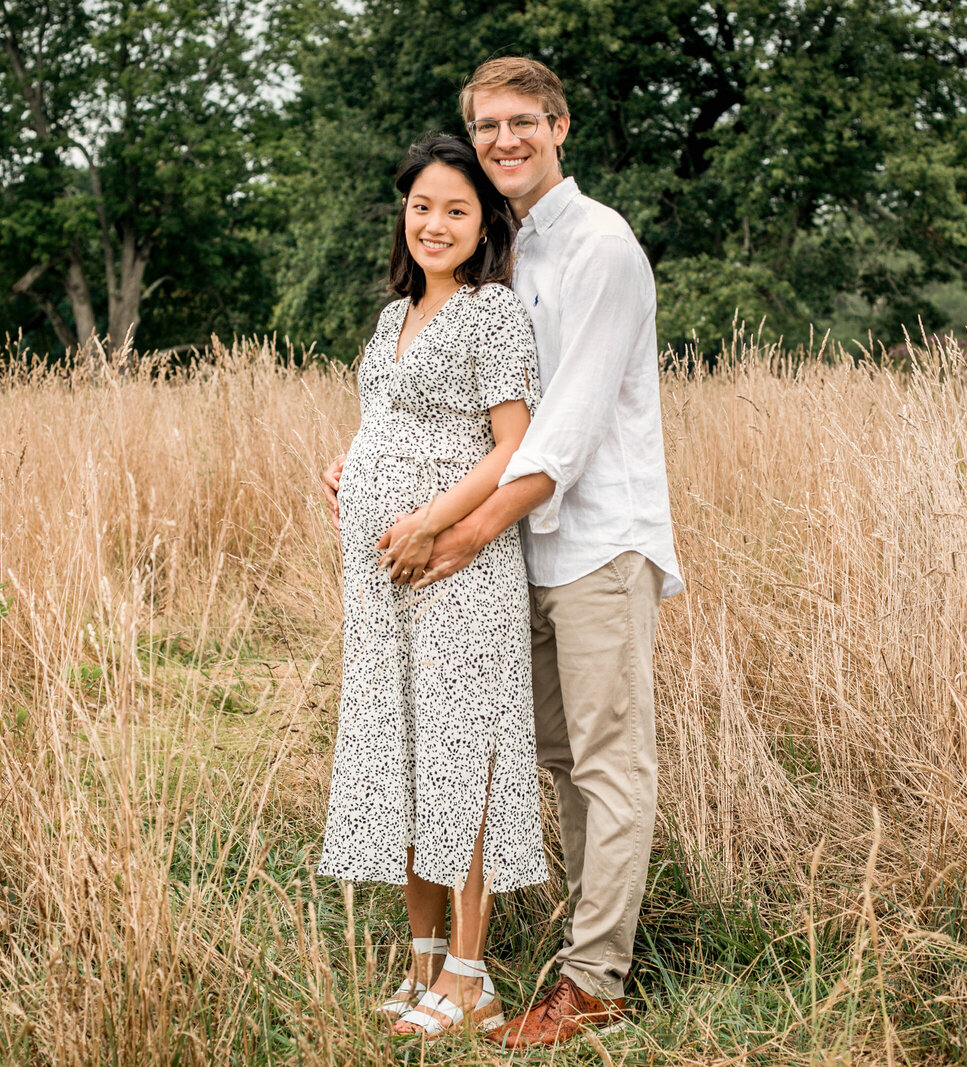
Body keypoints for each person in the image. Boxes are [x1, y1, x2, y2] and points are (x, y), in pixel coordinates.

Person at [323, 58, 683, 1049]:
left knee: (607, 762)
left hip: (597, 536)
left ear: (560, 125)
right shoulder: (506, 248)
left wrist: (458, 530)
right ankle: (517, 951)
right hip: (518, 549)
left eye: (523, 121)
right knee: (552, 755)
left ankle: (592, 981)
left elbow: (552, 434)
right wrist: (366, 473)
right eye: (487, 125)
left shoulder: (600, 247)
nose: (504, 140)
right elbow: (443, 407)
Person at [315, 133, 548, 1041]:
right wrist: (348, 470)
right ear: (402, 215)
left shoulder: (492, 314)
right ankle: (420, 966)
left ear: (483, 220)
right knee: (404, 752)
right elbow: (386, 423)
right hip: (380, 581)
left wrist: (429, 522)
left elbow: (513, 443)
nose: (436, 224)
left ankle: (471, 973)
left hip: (459, 569)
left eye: (457, 208)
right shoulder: (391, 317)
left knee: (463, 755)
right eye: (422, 207)